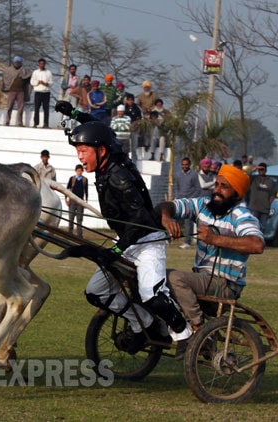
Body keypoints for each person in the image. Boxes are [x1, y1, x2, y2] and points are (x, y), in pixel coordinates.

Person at [55, 100, 188, 354]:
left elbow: (138, 222)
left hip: (147, 241)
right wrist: (73, 113)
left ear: (101, 151)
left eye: (84, 151)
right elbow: (98, 129)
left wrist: (116, 252)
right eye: (78, 151)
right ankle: (145, 323)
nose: (80, 157)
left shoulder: (119, 176)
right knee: (96, 293)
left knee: (151, 294)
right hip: (128, 239)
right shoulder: (108, 153)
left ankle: (184, 334)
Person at [158, 164, 264, 352]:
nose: (217, 191)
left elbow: (256, 244)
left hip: (225, 285)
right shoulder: (203, 206)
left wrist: (216, 239)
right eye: (216, 185)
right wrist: (166, 218)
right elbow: (170, 205)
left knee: (172, 277)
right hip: (203, 279)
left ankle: (199, 331)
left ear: (237, 193)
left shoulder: (241, 215)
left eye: (224, 187)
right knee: (156, 276)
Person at [174, 157, 201, 249]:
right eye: (183, 164)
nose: (184, 166)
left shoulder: (194, 175)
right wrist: (177, 198)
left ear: (189, 165)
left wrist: (190, 200)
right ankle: (168, 238)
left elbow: (198, 189)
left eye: (186, 164)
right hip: (179, 201)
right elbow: (177, 188)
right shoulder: (177, 175)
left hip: (189, 202)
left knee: (188, 222)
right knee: (173, 219)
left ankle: (187, 242)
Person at [2, 56, 32, 126]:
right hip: (12, 91)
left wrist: (23, 78)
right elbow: (5, 79)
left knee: (20, 108)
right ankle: (7, 121)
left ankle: (20, 122)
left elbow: (29, 75)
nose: (17, 63)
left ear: (21, 63)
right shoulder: (9, 70)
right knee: (9, 107)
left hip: (21, 91)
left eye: (18, 62)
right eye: (16, 62)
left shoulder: (25, 70)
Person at [248, 162, 277, 232]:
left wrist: (270, 201)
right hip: (254, 208)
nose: (261, 171)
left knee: (262, 228)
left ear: (266, 170)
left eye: (262, 169)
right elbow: (245, 175)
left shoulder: (270, 181)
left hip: (265, 209)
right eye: (260, 170)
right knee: (253, 227)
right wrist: (254, 169)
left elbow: (274, 193)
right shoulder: (254, 179)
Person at [66, 164, 88, 238]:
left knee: (79, 219)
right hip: (72, 200)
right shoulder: (72, 179)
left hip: (80, 201)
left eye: (81, 170)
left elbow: (86, 191)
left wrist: (86, 201)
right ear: (75, 171)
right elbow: (67, 189)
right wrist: (66, 198)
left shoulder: (85, 179)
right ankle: (70, 233)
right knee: (71, 217)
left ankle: (79, 235)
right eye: (78, 170)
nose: (79, 172)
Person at [30, 58, 53, 128]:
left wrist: (46, 83)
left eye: (43, 64)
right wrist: (38, 82)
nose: (42, 65)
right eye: (40, 64)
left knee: (46, 109)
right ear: (39, 64)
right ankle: (36, 123)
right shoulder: (35, 72)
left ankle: (46, 123)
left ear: (45, 64)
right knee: (36, 108)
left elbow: (51, 82)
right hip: (38, 92)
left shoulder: (48, 72)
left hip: (46, 92)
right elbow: (32, 82)